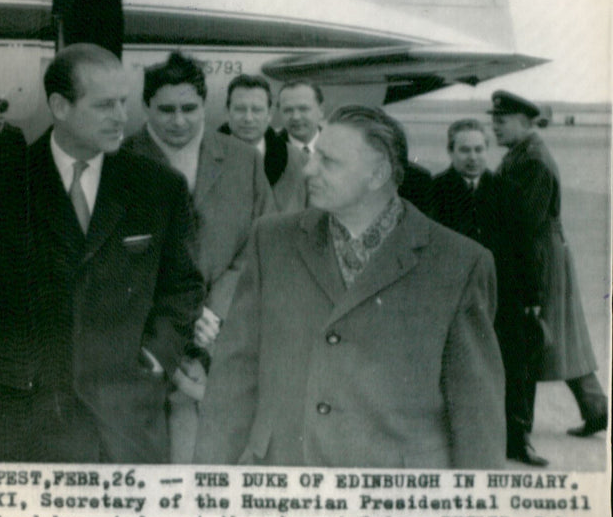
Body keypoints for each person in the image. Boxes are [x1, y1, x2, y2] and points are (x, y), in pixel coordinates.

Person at [195, 105, 506, 468]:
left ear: (378, 174)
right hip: (285, 480)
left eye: (328, 161)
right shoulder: (271, 240)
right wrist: (211, 482)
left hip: (396, 499)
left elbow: (476, 416)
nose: (308, 168)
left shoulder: (461, 263)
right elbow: (233, 380)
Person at [0, 44, 204, 464]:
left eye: (123, 103)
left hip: (128, 425)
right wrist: (7, 378)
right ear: (59, 106)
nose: (122, 118)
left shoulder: (159, 187)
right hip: (31, 428)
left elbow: (183, 287)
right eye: (105, 105)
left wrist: (156, 357)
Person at [123, 52, 274, 461]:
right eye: (165, 110)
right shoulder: (118, 161)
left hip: (225, 336)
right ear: (145, 107)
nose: (178, 121)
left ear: (204, 104)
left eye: (189, 109)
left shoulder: (244, 160)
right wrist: (180, 314)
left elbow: (263, 244)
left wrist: (217, 308)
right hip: (146, 343)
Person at [490, 90, 607, 462]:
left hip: (540, 256)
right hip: (543, 252)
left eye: (501, 121)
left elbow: (525, 221)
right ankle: (596, 410)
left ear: (524, 123)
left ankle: (526, 425)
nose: (495, 127)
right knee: (561, 339)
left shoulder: (533, 161)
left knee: (541, 337)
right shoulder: (525, 154)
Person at [219, 74, 307, 212]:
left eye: (257, 110)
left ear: (269, 114)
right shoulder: (202, 157)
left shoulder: (300, 162)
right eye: (240, 109)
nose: (248, 118)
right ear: (226, 112)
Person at [431, 119, 501, 253]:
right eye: (465, 150)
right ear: (450, 152)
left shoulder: (507, 191)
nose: (473, 157)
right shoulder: (433, 190)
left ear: (487, 150)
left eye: (479, 149)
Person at [277, 80, 326, 157]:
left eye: (303, 109)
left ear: (321, 110)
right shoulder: (267, 151)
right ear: (280, 112)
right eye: (288, 110)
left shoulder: (342, 146)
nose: (296, 117)